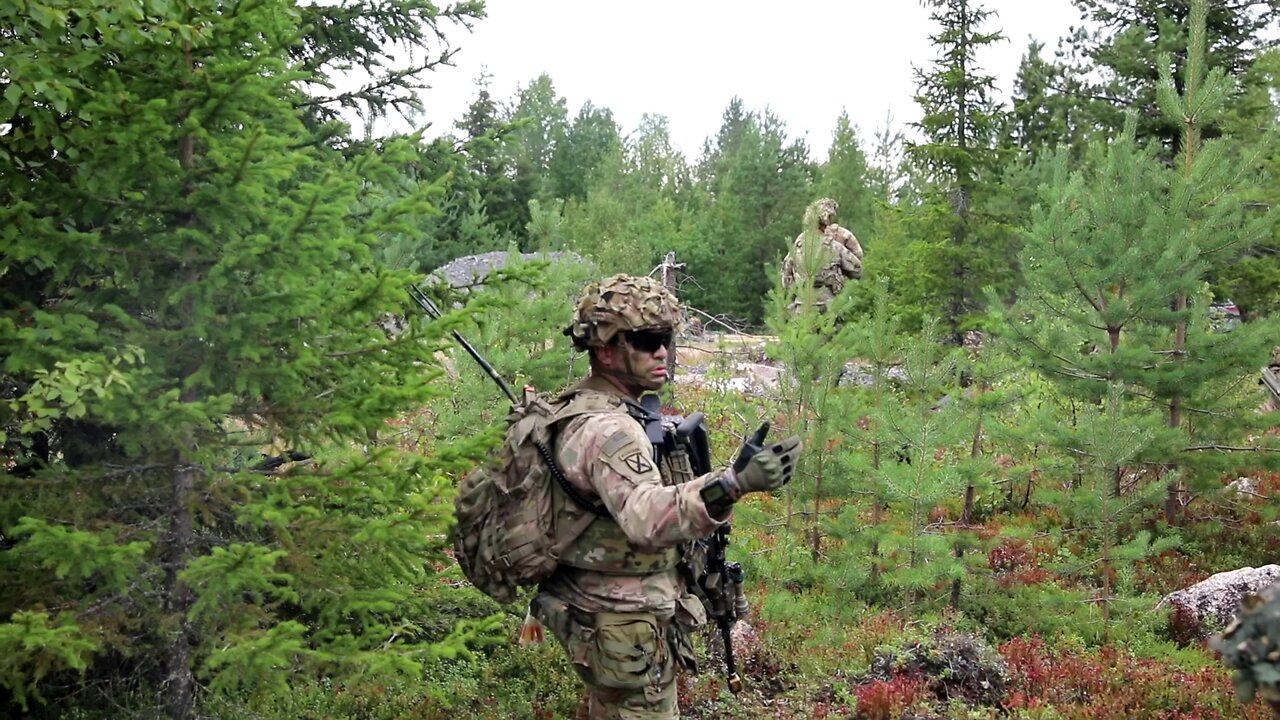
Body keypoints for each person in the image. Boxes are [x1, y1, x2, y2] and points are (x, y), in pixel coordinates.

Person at [531, 274, 802, 719]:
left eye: (666, 338)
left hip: (609, 619)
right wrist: (733, 484)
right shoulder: (609, 429)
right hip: (623, 627)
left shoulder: (591, 407)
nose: (661, 350)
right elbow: (645, 515)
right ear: (605, 349)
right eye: (646, 340)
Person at [780, 198, 863, 314]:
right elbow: (858, 271)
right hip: (829, 308)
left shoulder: (797, 245)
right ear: (827, 219)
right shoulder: (835, 246)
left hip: (802, 308)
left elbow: (785, 278)